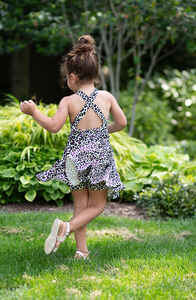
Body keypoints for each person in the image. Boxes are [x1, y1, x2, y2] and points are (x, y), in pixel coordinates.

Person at [20, 35, 127, 260]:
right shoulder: (106, 97)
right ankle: (66, 229)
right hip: (99, 159)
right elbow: (122, 123)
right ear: (95, 74)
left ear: (72, 77)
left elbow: (53, 126)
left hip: (74, 160)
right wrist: (101, 132)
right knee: (96, 206)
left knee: (80, 205)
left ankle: (82, 252)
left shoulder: (68, 101)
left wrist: (33, 112)